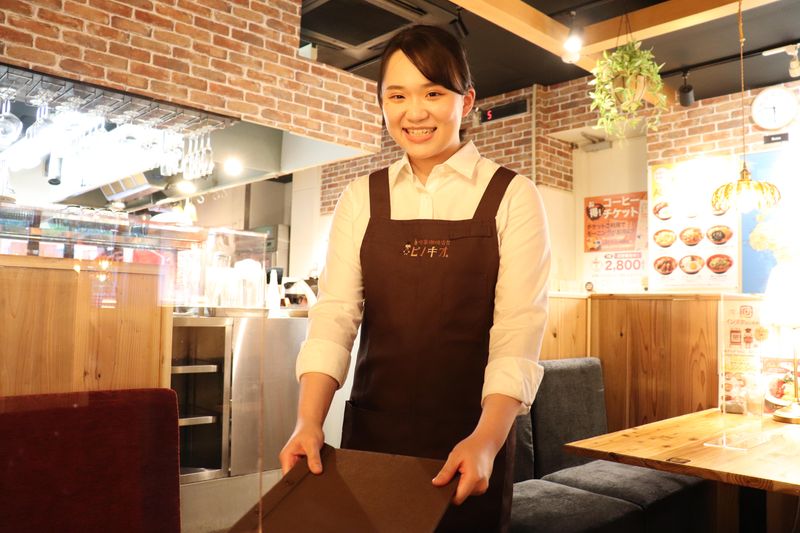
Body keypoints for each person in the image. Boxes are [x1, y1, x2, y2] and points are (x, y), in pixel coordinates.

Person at [280, 24, 550, 532]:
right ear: (382, 104)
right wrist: (308, 421)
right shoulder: (361, 197)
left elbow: (518, 328)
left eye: (433, 93)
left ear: (466, 101)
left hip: (473, 438)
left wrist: (487, 440)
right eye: (397, 96)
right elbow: (335, 315)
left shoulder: (513, 195)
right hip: (373, 436)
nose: (415, 112)